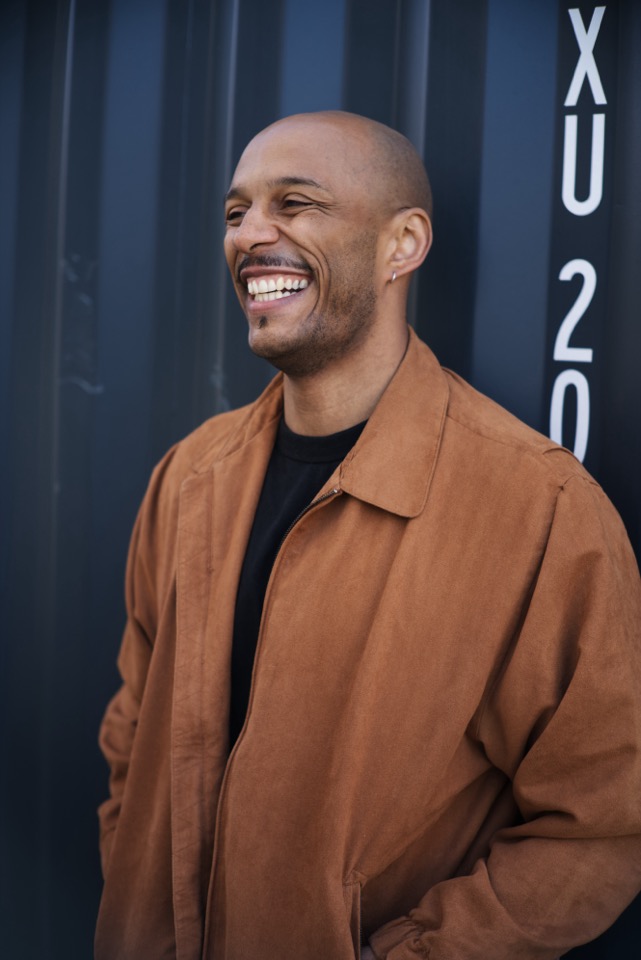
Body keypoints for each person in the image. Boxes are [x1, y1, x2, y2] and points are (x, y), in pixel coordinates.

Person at [95, 111, 641, 960]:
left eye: (296, 204)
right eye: (236, 212)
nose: (250, 235)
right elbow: (134, 733)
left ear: (402, 245)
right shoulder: (190, 476)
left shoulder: (538, 509)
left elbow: (604, 824)